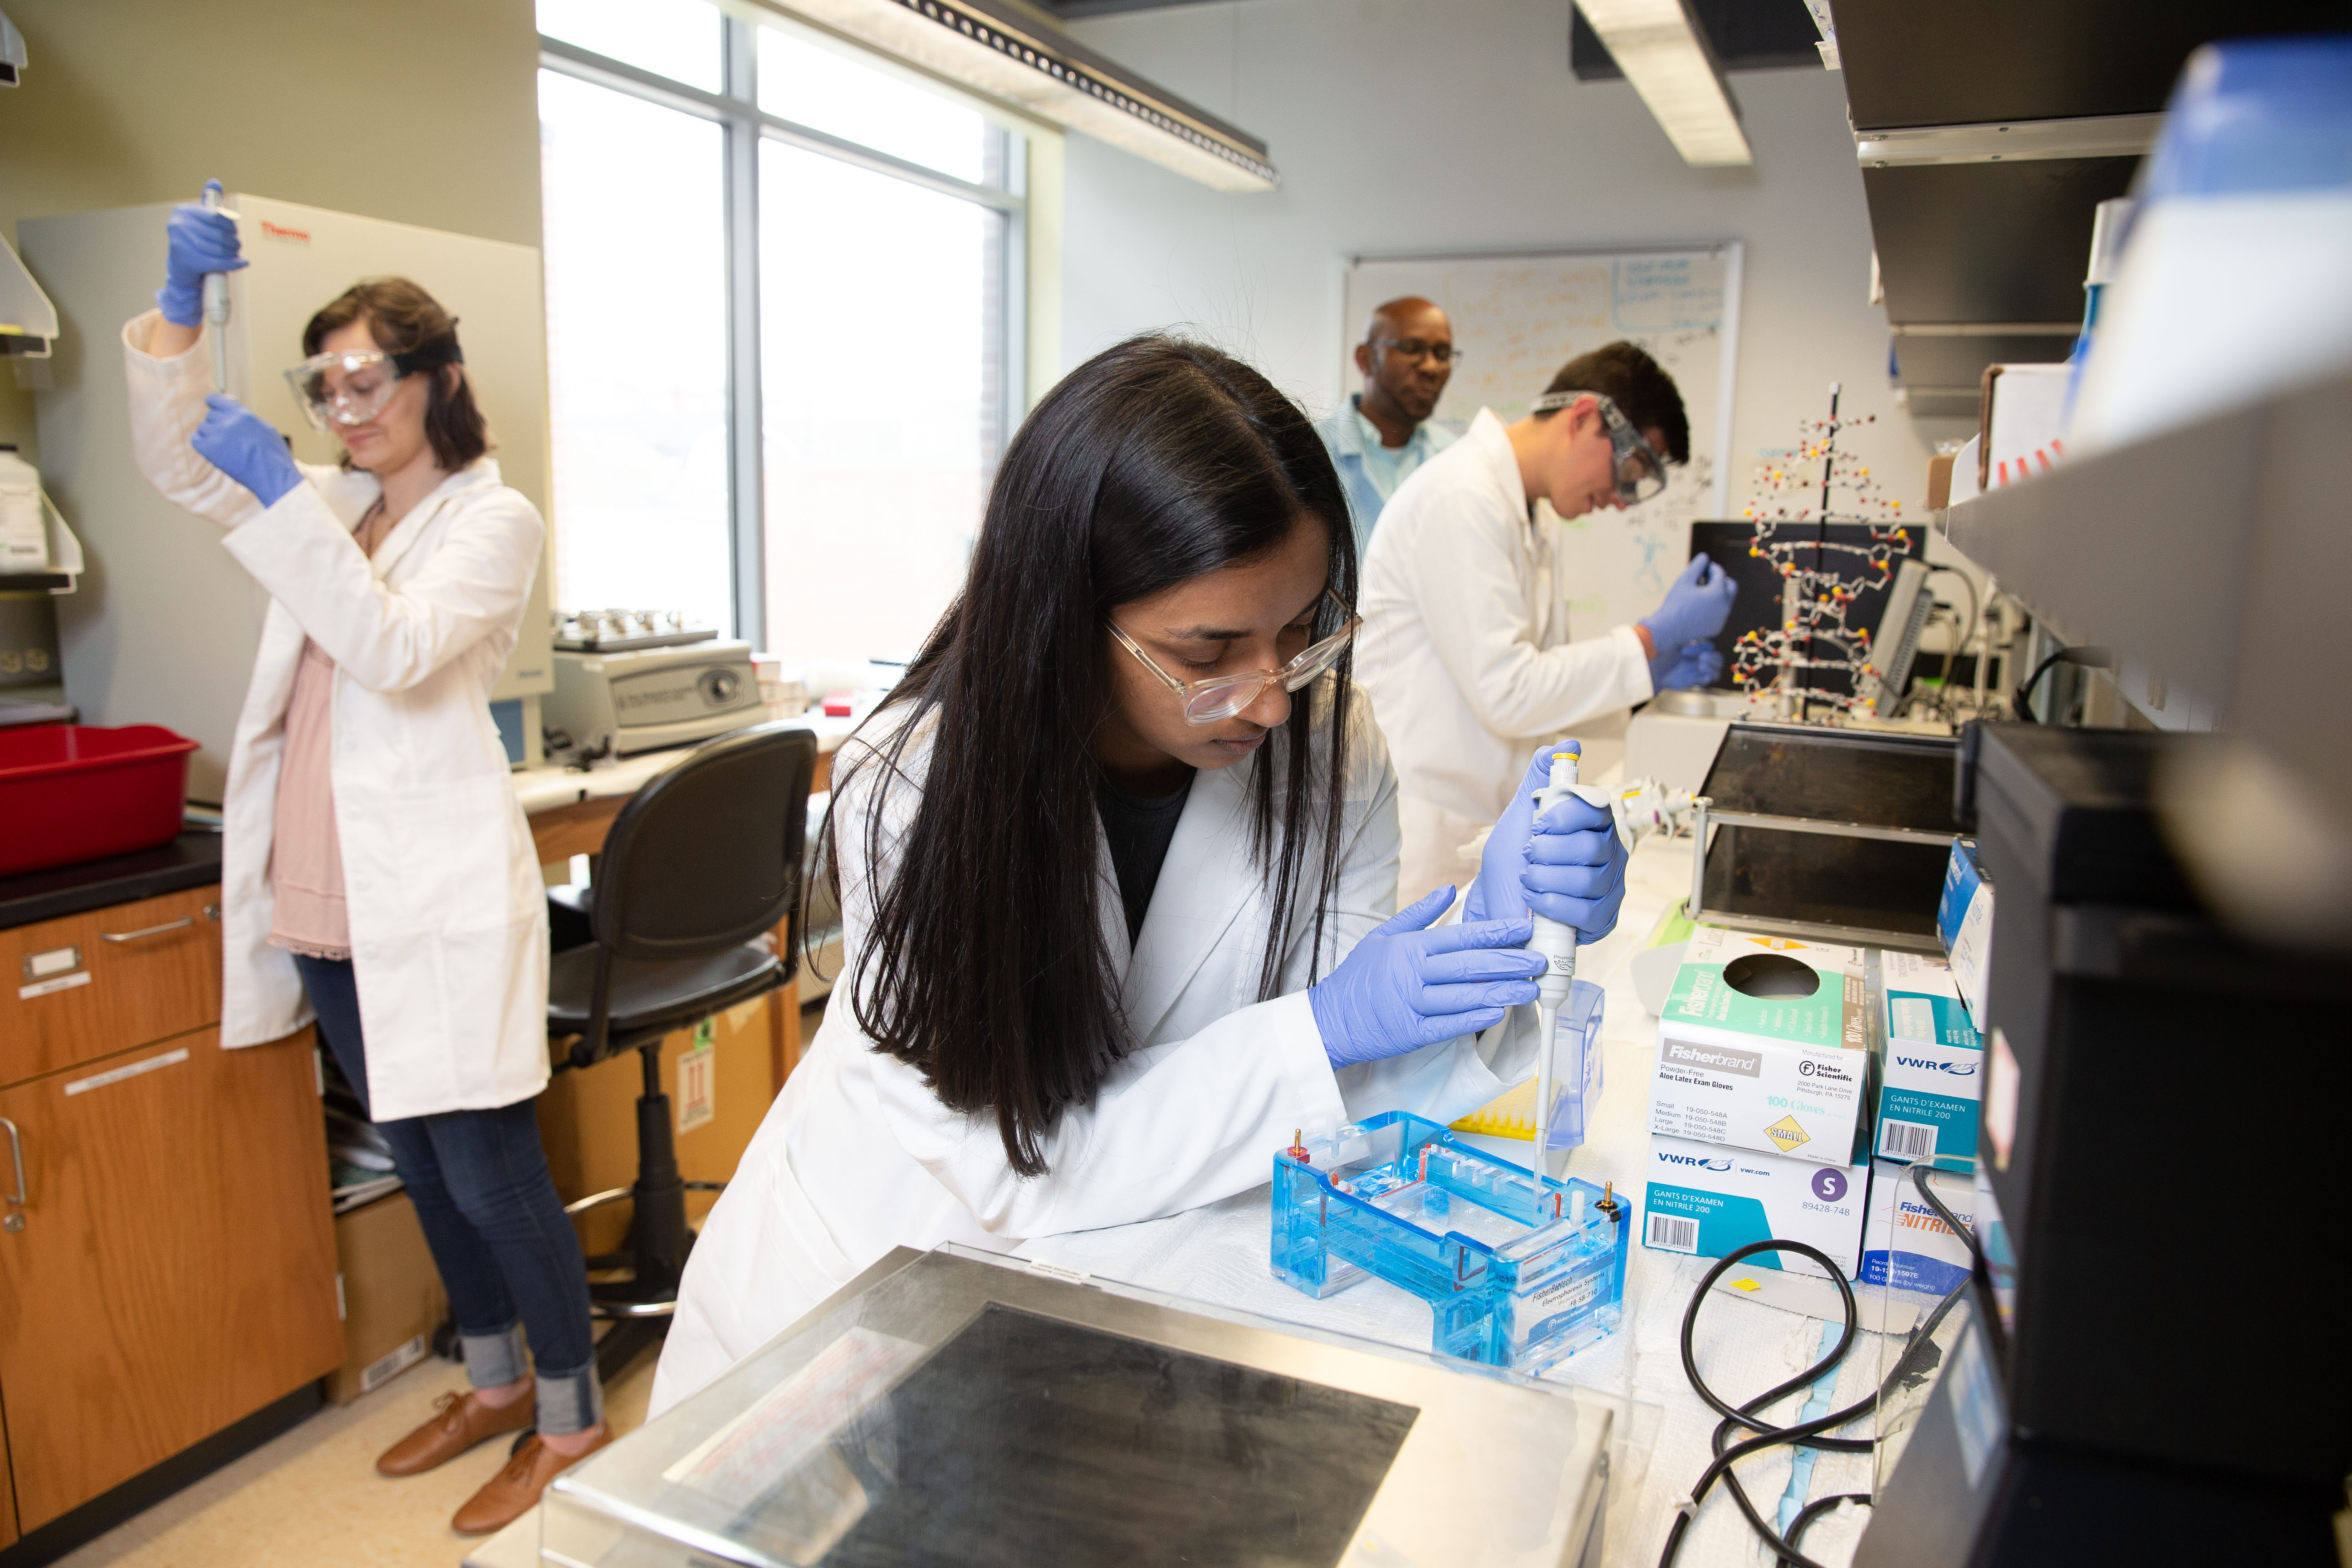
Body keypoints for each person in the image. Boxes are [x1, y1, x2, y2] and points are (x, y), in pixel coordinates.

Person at [648, 336, 1631, 1414]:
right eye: (1209, 652)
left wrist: (1495, 946)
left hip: (1126, 1299)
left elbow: (1333, 1097)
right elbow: (1018, 1164)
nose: (1271, 696)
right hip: (872, 1292)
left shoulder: (1334, 748)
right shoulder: (917, 788)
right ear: (1066, 614)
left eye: (1301, 630)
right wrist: (1323, 1029)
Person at [124, 182, 605, 1534]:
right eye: (322, 387)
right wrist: (177, 312)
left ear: (435, 377)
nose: (342, 408)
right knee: (417, 1158)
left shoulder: (492, 521)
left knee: (491, 1169)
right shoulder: (338, 502)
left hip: (428, 896)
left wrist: (286, 494)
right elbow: (175, 463)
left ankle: (569, 1419)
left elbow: (392, 649)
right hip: (326, 891)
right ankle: (494, 1382)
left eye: (365, 380)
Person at [1355, 341, 1738, 908]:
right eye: (1630, 472)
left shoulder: (1536, 516)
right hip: (1418, 828)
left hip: (1481, 823)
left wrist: (1646, 680)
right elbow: (1507, 691)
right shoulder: (1461, 496)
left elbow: (1542, 691)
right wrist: (1646, 642)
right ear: (1584, 418)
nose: (1623, 500)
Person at [1314, 296, 1460, 561]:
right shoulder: (1311, 451)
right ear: (1365, 359)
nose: (1431, 368)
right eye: (1412, 349)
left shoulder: (1456, 458)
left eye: (1442, 354)